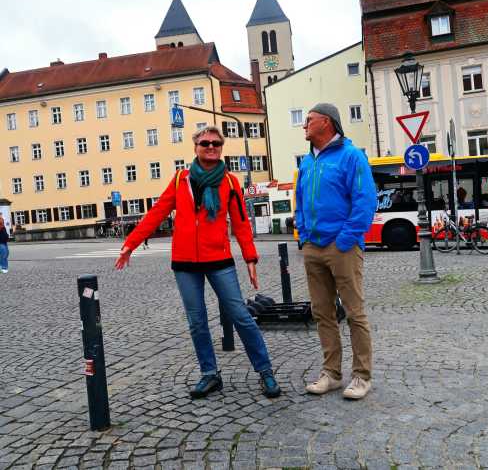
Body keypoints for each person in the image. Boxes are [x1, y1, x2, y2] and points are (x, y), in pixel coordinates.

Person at [114, 126, 281, 399]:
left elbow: (240, 223)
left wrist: (250, 258)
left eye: (216, 143)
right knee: (197, 322)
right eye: (205, 143)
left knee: (240, 315)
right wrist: (131, 244)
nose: (211, 147)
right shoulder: (181, 179)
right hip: (185, 263)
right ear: (195, 147)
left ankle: (266, 372)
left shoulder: (229, 182)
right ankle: (209, 374)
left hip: (219, 260)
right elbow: (157, 213)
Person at [295, 103, 377, 400]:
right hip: (313, 247)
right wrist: (304, 235)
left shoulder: (351, 156)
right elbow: (300, 200)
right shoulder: (307, 161)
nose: (304, 125)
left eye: (309, 119)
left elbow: (365, 202)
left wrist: (345, 239)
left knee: (354, 313)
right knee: (322, 313)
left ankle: (362, 376)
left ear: (326, 123)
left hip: (342, 247)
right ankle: (331, 373)